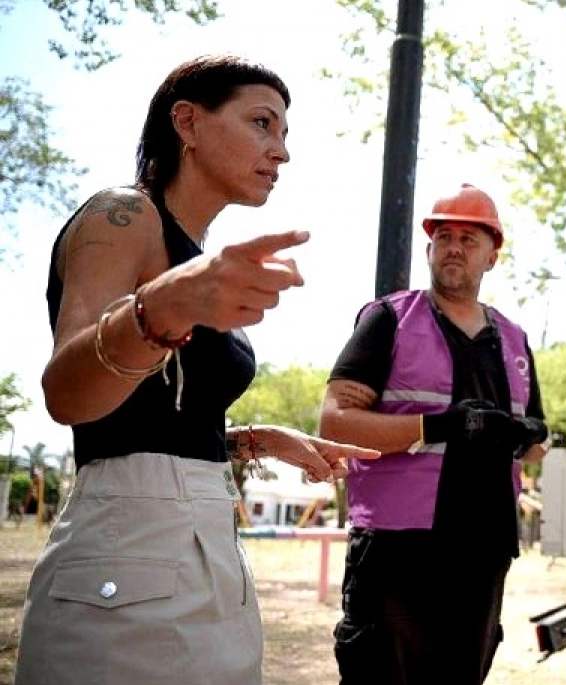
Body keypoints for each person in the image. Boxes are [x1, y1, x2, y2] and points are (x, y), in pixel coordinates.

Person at [14, 54, 381, 685]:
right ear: (187, 121)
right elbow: (66, 395)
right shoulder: (121, 216)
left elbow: (155, 417)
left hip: (211, 545)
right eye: (262, 123)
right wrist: (161, 309)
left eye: (285, 134)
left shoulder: (197, 260)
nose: (281, 151)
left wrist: (253, 440)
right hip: (127, 548)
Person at [319, 182, 551, 685]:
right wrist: (436, 426)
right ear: (429, 249)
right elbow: (334, 423)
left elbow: (535, 447)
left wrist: (529, 437)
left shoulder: (513, 340)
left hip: (484, 545)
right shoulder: (388, 321)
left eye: (470, 240)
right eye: (444, 236)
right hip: (399, 547)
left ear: (492, 256)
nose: (454, 247)